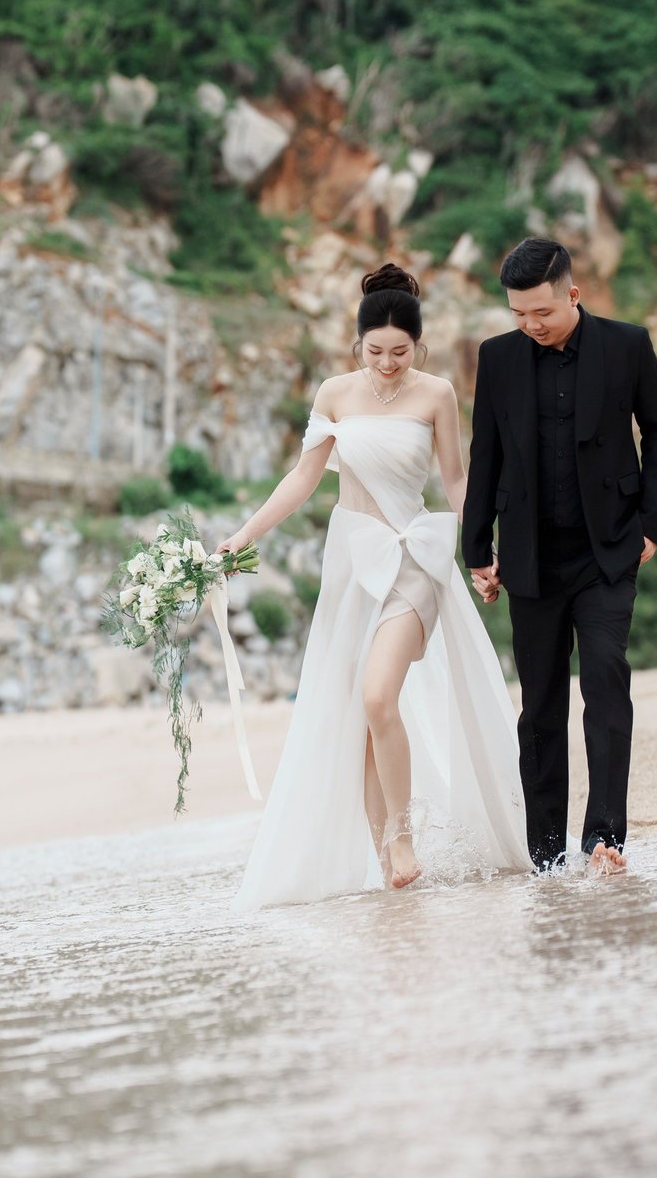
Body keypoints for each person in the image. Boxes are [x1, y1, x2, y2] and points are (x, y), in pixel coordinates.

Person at [219, 264, 531, 910]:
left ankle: (402, 833)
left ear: (419, 346)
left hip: (415, 556)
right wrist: (243, 536)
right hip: (352, 566)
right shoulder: (335, 395)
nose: (387, 364)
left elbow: (455, 481)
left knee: (378, 694)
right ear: (355, 345)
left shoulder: (438, 394)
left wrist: (480, 553)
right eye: (375, 351)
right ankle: (389, 865)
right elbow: (303, 479)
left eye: (400, 352)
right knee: (363, 716)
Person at [462, 237, 657, 876]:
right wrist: (478, 548)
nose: (531, 325)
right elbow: (486, 453)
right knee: (541, 705)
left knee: (607, 677)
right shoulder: (497, 359)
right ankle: (547, 854)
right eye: (519, 314)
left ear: (572, 294)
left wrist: (652, 525)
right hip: (530, 557)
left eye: (542, 313)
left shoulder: (627, 346)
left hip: (607, 548)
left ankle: (605, 839)